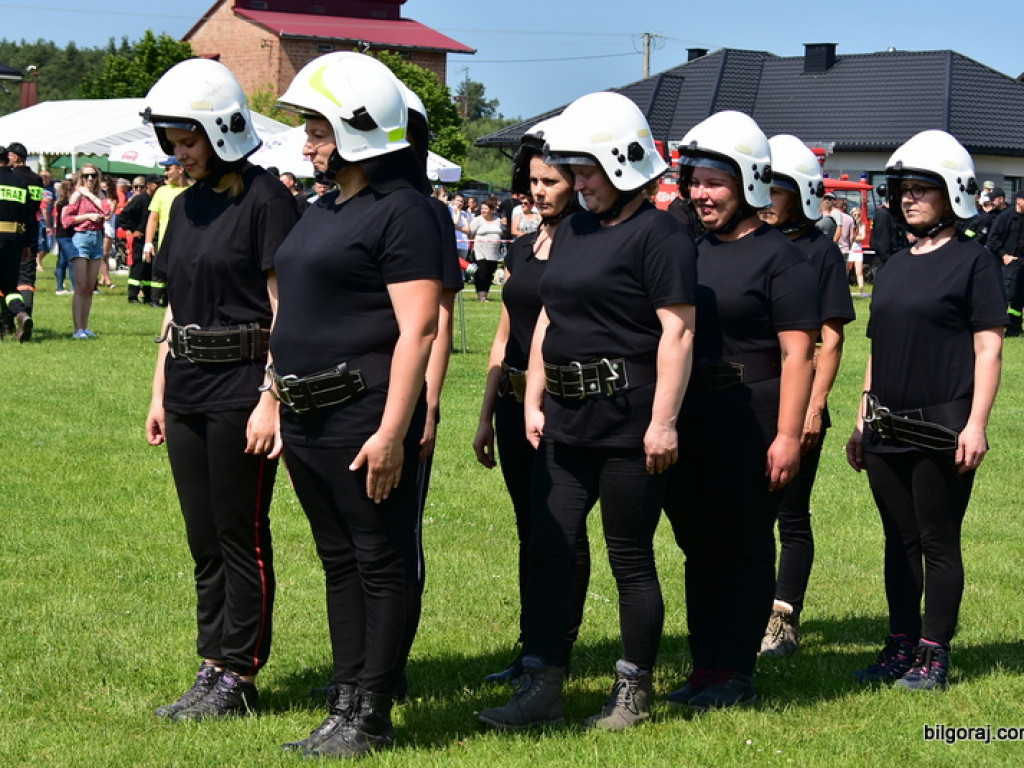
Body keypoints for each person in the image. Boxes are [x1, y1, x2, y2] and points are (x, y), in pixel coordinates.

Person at [478, 90, 696, 732]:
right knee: (550, 543)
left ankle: (632, 691)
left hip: (630, 420)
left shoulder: (660, 234)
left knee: (629, 556)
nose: (576, 183)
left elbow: (677, 333)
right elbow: (549, 314)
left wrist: (662, 422)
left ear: (624, 161)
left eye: (585, 169)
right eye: (571, 170)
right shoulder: (570, 228)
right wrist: (536, 397)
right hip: (566, 421)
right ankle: (543, 684)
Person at [269, 52, 442, 759]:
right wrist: (272, 395)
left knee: (380, 561)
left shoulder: (407, 213)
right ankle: (344, 702)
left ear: (361, 131)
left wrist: (393, 430)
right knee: (339, 562)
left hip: (360, 413)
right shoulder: (325, 205)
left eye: (317, 128)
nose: (306, 142)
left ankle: (373, 714)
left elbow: (419, 329)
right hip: (306, 414)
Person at [142, 57, 300, 721]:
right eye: (173, 142)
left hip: (242, 388)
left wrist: (272, 398)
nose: (181, 154)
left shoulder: (268, 200)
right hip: (185, 387)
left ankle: (240, 675)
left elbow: (285, 307)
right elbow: (175, 307)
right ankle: (211, 663)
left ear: (224, 129)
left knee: (242, 536)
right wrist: (157, 393)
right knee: (202, 538)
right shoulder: (181, 204)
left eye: (190, 140)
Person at [662, 111, 819, 710]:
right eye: (696, 181)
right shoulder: (688, 250)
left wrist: (786, 437)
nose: (702, 194)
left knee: (746, 545)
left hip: (752, 418)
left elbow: (797, 354)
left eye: (715, 182)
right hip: (692, 417)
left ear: (749, 182)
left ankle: (737, 672)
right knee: (698, 547)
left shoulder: (783, 259)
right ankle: (704, 666)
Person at [847, 131, 1004, 691]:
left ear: (953, 193)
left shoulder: (974, 262)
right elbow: (878, 345)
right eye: (903, 190)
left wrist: (976, 423)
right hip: (886, 424)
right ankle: (901, 644)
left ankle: (935, 654)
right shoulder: (891, 266)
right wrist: (863, 417)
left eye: (921, 189)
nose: (908, 199)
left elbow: (988, 346)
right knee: (898, 539)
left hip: (942, 423)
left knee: (937, 539)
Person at [472, 120, 589, 685]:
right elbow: (502, 334)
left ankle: (554, 647)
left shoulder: (586, 241)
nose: (538, 190)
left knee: (560, 531)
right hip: (512, 402)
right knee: (529, 527)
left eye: (551, 181)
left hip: (560, 406)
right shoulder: (521, 246)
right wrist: (485, 415)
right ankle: (531, 646)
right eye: (534, 180)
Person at [756, 135, 855, 657]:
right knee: (745, 513)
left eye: (777, 189)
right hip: (748, 398)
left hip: (800, 400)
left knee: (791, 516)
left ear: (803, 194)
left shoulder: (819, 253)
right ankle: (744, 610)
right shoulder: (747, 241)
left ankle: (783, 619)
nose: (766, 196)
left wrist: (815, 406)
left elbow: (831, 338)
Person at [61, 163, 113, 339]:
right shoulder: (76, 196)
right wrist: (87, 216)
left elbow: (107, 212)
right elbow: (66, 220)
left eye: (93, 175)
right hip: (81, 238)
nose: (89, 179)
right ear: (80, 177)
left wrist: (90, 195)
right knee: (81, 286)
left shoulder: (99, 194)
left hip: (97, 239)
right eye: (86, 176)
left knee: (90, 287)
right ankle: (78, 329)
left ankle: (85, 326)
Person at [8, 142, 44, 329]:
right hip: (32, 231)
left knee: (7, 278)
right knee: (27, 278)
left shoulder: (13, 178)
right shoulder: (37, 179)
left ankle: (9, 321)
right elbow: (35, 208)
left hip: (13, 231)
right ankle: (27, 313)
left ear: (15, 157)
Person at [0, 144, 34, 342]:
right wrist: (27, 244)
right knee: (10, 285)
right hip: (15, 238)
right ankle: (21, 314)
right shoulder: (20, 182)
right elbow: (29, 216)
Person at [144, 156, 189, 307]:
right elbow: (153, 218)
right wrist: (148, 242)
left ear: (181, 169)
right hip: (165, 244)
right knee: (160, 275)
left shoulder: (193, 191)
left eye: (168, 169)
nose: (165, 173)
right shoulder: (162, 191)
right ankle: (155, 300)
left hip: (187, 246)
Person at [988, 190, 1024, 336]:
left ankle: (1015, 328)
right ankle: (1002, 327)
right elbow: (993, 239)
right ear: (1019, 200)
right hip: (1007, 263)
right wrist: (1004, 255)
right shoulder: (1006, 217)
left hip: (1021, 261)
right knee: (1010, 294)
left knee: (1019, 297)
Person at [119, 175, 157, 304]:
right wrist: (131, 230)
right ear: (150, 185)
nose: (159, 186)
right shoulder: (139, 200)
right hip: (139, 239)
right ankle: (133, 296)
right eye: (156, 184)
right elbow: (124, 215)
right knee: (137, 268)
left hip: (150, 239)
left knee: (149, 268)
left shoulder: (155, 199)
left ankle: (147, 295)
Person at [469, 198, 504, 301]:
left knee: (490, 272)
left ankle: (486, 294)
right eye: (482, 208)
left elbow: (502, 232)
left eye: (485, 209)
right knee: (481, 272)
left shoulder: (498, 221)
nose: (483, 210)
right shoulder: (478, 220)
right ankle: (481, 295)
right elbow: (470, 232)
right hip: (480, 250)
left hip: (493, 252)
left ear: (492, 210)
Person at [52, 179, 77, 295]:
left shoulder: (58, 202)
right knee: (72, 260)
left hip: (60, 234)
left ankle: (60, 287)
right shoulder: (67, 203)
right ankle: (74, 287)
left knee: (62, 261)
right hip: (66, 235)